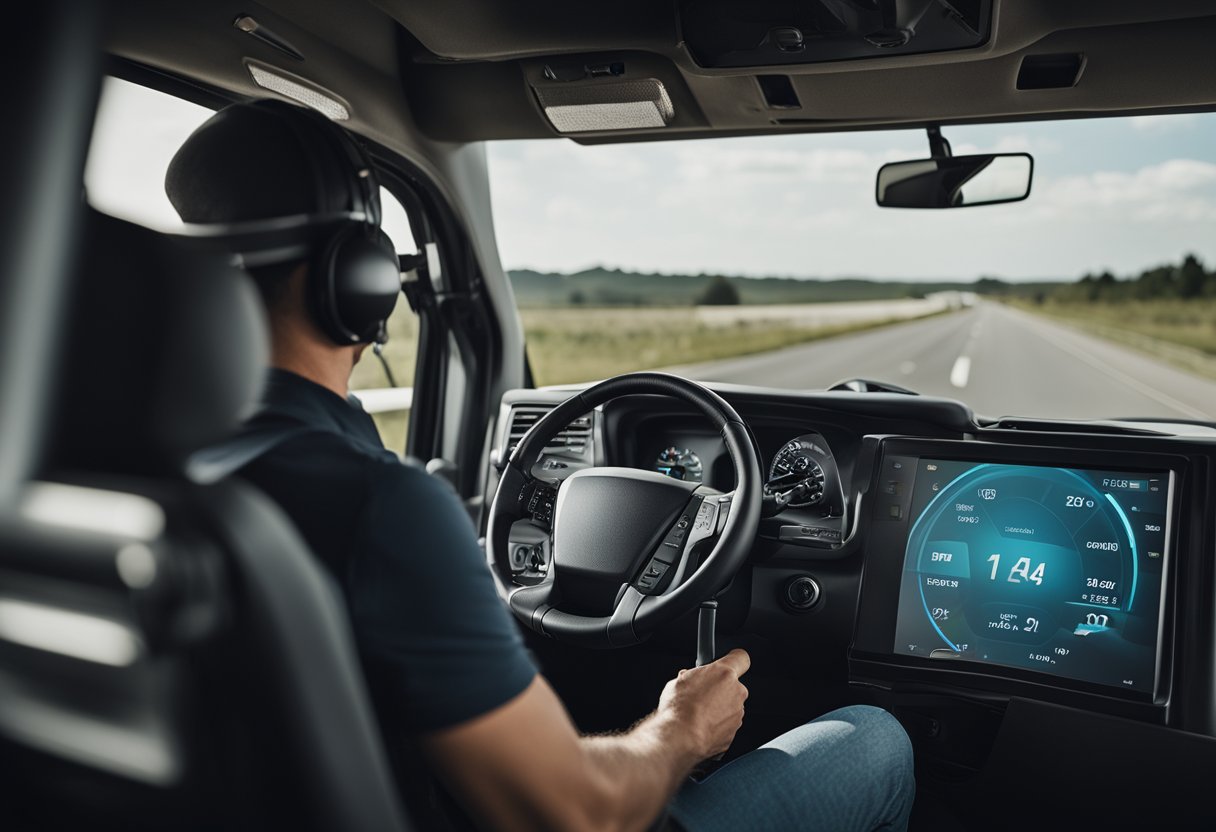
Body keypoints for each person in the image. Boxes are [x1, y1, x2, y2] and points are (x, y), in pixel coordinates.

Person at [166, 99, 915, 832]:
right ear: (358, 283)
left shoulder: (133, 476)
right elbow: (583, 815)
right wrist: (684, 729)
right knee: (879, 739)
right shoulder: (381, 507)